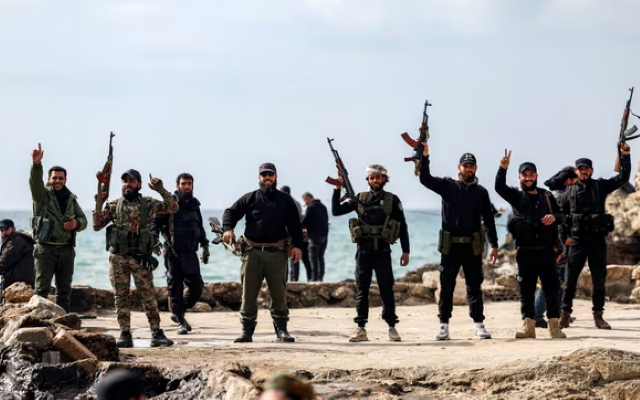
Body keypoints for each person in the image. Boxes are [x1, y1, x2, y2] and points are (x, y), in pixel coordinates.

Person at [419, 145, 498, 341]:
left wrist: (494, 245)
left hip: (472, 246)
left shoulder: (481, 192)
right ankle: (443, 326)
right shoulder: (448, 186)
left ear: (476, 169)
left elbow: (489, 220)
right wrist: (425, 156)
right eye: (465, 166)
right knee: (447, 287)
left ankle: (479, 325)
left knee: (474, 287)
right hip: (451, 247)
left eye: (471, 166)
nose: (468, 169)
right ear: (459, 167)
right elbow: (424, 179)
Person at [93, 169, 178, 348]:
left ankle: (156, 333)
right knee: (121, 297)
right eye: (124, 181)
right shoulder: (114, 205)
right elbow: (97, 225)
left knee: (148, 296)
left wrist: (160, 189)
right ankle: (125, 334)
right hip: (118, 259)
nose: (127, 184)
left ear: (139, 184)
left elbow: (173, 207)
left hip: (141, 259)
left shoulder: (149, 203)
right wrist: (99, 202)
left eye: (131, 181)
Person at [222, 163, 303, 343]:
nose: (267, 178)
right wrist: (228, 229)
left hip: (277, 253)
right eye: (263, 175)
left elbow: (295, 225)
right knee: (249, 294)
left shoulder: (286, 200)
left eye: (270, 175)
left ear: (276, 177)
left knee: (279, 294)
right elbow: (231, 212)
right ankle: (247, 331)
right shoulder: (250, 198)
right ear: (259, 178)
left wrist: (297, 246)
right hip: (252, 253)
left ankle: (282, 330)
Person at [331, 164, 410, 342]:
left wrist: (406, 251)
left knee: (386, 289)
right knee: (362, 289)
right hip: (364, 250)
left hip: (383, 250)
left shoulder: (392, 200)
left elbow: (402, 227)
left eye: (379, 177)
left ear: (384, 180)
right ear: (368, 180)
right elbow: (336, 211)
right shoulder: (359, 198)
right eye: (372, 177)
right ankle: (361, 329)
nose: (375, 180)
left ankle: (391, 327)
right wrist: (337, 189)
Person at [494, 151, 567, 339]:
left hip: (546, 251)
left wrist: (554, 217)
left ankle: (554, 327)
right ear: (520, 177)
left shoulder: (547, 196)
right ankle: (528, 328)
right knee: (526, 291)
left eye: (531, 174)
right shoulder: (516, 196)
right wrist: (503, 168)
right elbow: (499, 187)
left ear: (536, 176)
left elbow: (562, 216)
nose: (528, 178)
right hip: (525, 252)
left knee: (551, 289)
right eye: (524, 175)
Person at [559, 143, 632, 330]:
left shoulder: (600, 187)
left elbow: (623, 177)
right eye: (580, 169)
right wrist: (562, 240)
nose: (583, 172)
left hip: (597, 241)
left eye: (586, 169)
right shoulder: (568, 193)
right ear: (576, 171)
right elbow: (561, 218)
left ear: (591, 170)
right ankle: (565, 314)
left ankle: (598, 316)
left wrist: (625, 155)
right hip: (576, 241)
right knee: (571, 279)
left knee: (599, 279)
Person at [29, 143, 87, 312]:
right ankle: (38, 323)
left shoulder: (71, 198)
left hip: (66, 250)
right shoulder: (42, 196)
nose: (57, 181)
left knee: (64, 291)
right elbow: (34, 183)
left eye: (61, 178)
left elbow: (83, 219)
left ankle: (63, 323)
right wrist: (36, 165)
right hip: (45, 249)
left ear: (65, 180)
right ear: (49, 179)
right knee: (41, 289)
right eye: (54, 178)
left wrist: (76, 224)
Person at [151, 173, 209, 335]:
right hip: (172, 252)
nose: (187, 186)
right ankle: (181, 321)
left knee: (197, 287)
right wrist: (153, 240)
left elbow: (200, 227)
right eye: (183, 184)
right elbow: (155, 223)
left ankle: (179, 312)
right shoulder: (170, 203)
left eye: (189, 183)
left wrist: (205, 246)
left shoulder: (195, 205)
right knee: (175, 288)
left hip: (190, 252)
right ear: (178, 186)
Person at [534, 166, 578, 328]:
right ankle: (537, 315)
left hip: (557, 243)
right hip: (557, 244)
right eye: (575, 180)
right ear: (568, 181)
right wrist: (562, 245)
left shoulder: (554, 195)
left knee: (559, 280)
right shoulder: (561, 197)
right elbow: (559, 224)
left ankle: (558, 313)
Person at [280, 185, 309, 282]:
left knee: (283, 258)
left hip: (284, 234)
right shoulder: (297, 203)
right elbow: (300, 219)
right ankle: (294, 279)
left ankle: (285, 279)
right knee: (295, 258)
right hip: (296, 234)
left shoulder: (282, 203)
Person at [0, 219, 35, 291]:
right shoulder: (15, 239)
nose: (3, 233)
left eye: (6, 229)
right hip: (22, 278)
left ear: (13, 229)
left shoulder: (16, 240)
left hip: (20, 280)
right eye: (1, 230)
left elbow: (5, 260)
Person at [301, 192, 329, 282]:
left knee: (313, 258)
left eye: (305, 201)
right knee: (321, 257)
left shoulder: (311, 207)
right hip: (324, 236)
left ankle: (314, 278)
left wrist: (298, 228)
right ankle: (320, 277)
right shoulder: (323, 206)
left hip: (314, 236)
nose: (305, 204)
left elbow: (305, 222)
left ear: (307, 198)